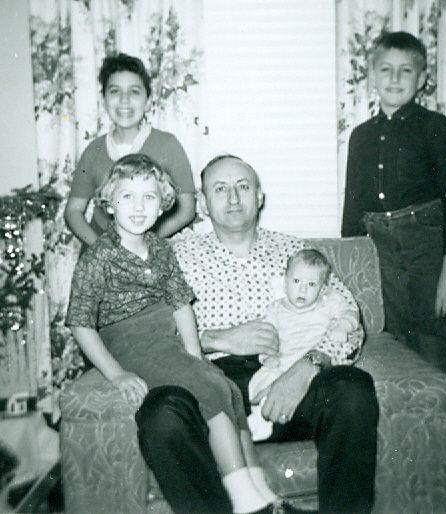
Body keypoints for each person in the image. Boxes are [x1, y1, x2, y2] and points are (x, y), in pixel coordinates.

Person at [65, 153, 286, 514]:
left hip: (166, 336)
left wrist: (195, 356)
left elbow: (181, 305)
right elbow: (80, 322)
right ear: (109, 202)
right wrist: (116, 374)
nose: (139, 207)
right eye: (127, 197)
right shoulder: (98, 257)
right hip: (129, 340)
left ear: (163, 204)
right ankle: (243, 498)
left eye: (149, 197)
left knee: (227, 388)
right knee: (209, 388)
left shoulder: (161, 248)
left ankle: (260, 488)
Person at [172, 154, 379, 514]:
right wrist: (216, 338)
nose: (233, 198)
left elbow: (349, 321)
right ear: (203, 203)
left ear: (260, 196)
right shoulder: (177, 256)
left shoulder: (296, 252)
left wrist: (307, 367)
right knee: (166, 413)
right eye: (220, 189)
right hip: (212, 381)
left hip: (291, 373)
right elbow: (148, 335)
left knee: (352, 389)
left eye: (243, 187)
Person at [341, 31, 446, 376]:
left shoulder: (438, 128)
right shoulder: (360, 136)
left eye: (406, 71)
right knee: (388, 345)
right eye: (386, 69)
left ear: (422, 78)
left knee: (432, 348)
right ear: (372, 76)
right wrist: (350, 270)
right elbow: (352, 207)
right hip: (378, 254)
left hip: (427, 253)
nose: (395, 79)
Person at [64, 53, 195, 247]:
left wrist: (144, 243)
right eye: (115, 91)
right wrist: (101, 247)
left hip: (152, 248)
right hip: (102, 249)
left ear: (148, 101)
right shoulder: (93, 151)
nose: (124, 100)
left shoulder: (169, 145)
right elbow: (73, 211)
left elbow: (187, 210)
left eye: (134, 91)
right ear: (104, 100)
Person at [247, 248, 362, 442]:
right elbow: (267, 336)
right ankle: (260, 418)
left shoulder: (329, 303)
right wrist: (267, 357)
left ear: (322, 289)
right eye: (296, 281)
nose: (302, 290)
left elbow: (351, 314)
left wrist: (343, 326)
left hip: (315, 368)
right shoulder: (275, 309)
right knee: (259, 381)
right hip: (282, 364)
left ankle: (263, 421)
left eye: (311, 284)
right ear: (285, 283)